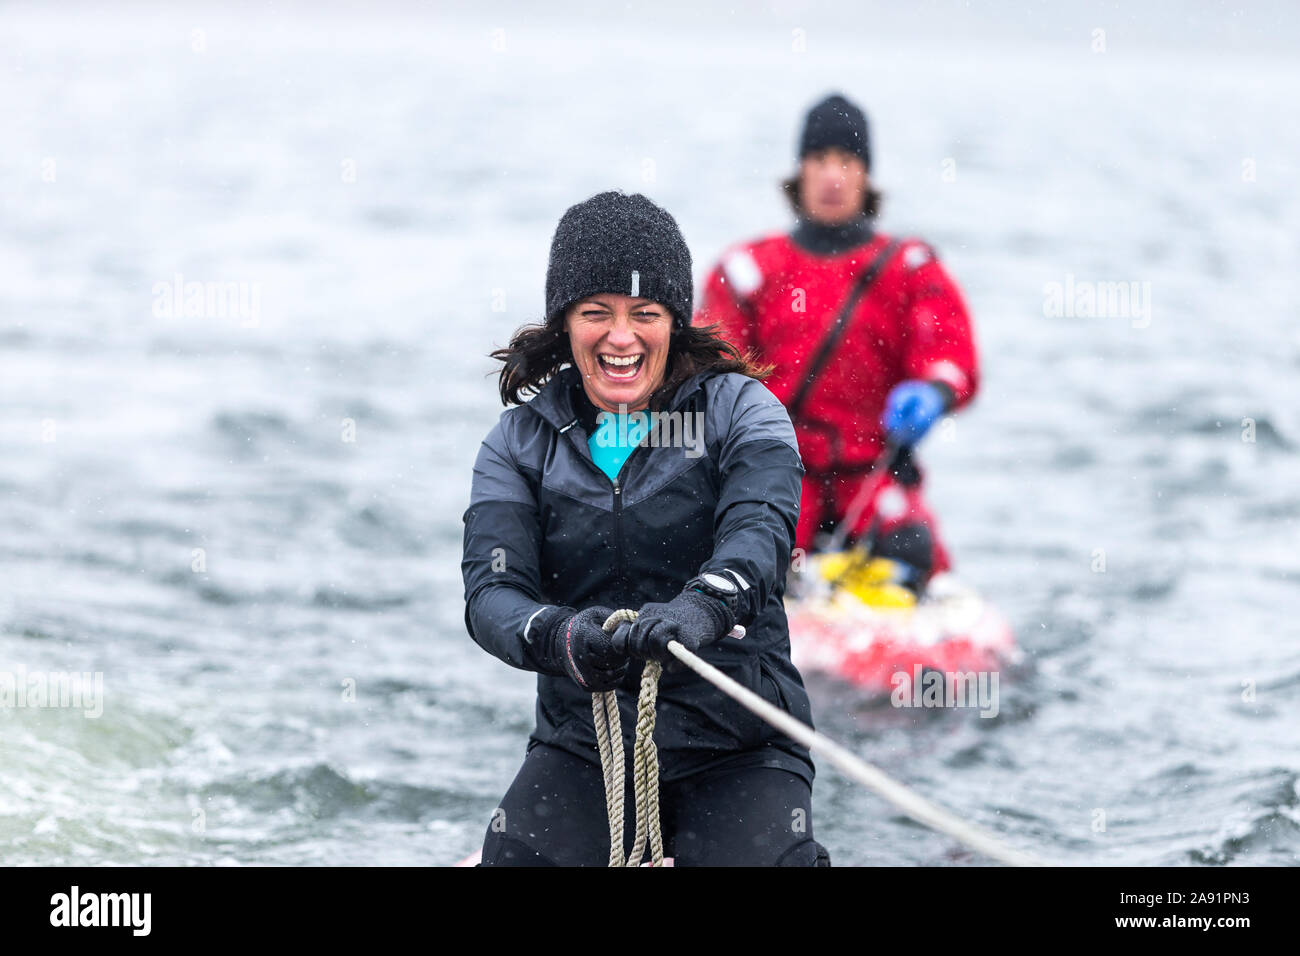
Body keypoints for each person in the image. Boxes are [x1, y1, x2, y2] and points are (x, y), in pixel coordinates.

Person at [462, 190, 830, 866]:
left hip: (738, 748)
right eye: (596, 312)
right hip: (582, 747)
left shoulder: (745, 413)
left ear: (676, 322)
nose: (621, 337)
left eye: (645, 314)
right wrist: (562, 635)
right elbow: (491, 597)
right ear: (565, 324)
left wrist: (703, 605)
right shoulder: (515, 444)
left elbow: (761, 532)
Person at [694, 93, 980, 593]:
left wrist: (933, 393)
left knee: (913, 547)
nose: (832, 176)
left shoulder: (909, 268)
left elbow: (951, 357)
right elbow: (711, 373)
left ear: (865, 176)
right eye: (820, 160)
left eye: (846, 161)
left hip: (872, 477)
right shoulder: (747, 271)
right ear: (799, 171)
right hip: (777, 476)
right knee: (748, 560)